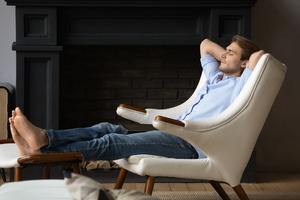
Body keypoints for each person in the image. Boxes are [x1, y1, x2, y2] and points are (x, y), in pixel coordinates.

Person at [9, 35, 264, 161]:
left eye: (230, 54)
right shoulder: (214, 76)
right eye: (225, 51)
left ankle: (40, 154)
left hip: (191, 143)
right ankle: (44, 140)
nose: (223, 55)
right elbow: (205, 43)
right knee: (107, 127)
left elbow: (259, 56)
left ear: (243, 63)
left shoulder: (242, 84)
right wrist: (229, 57)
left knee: (112, 141)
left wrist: (239, 63)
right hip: (174, 134)